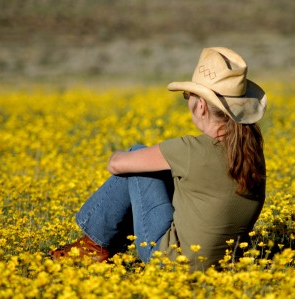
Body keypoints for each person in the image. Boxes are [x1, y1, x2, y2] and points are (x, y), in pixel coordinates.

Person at [49, 47, 268, 271]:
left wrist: (129, 156)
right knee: (159, 166)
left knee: (136, 154)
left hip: (170, 262)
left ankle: (94, 246)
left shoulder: (190, 150)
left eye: (188, 96)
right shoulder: (251, 153)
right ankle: (97, 246)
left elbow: (115, 164)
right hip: (223, 263)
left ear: (201, 106)